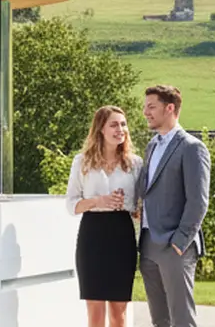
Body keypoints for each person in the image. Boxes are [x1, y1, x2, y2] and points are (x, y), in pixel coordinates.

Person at [137, 85, 210, 327]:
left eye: (151, 106)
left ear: (170, 108)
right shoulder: (152, 146)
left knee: (181, 320)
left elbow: (198, 200)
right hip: (148, 244)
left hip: (174, 246)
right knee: (160, 320)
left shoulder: (192, 147)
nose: (145, 111)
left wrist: (180, 242)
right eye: (145, 106)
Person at [65, 106, 142, 327]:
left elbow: (140, 204)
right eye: (114, 124)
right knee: (95, 313)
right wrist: (99, 201)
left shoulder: (135, 163)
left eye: (123, 124)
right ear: (100, 128)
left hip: (122, 234)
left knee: (119, 313)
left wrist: (132, 207)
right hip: (92, 235)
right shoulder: (82, 162)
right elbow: (71, 205)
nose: (121, 129)